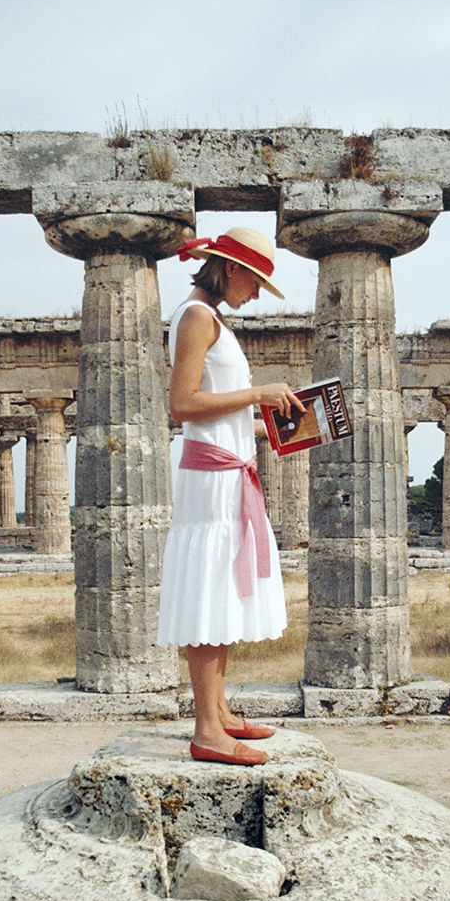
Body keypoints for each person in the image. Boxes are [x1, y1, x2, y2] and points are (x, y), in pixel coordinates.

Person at [157, 226, 303, 765]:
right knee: (209, 590)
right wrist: (259, 393)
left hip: (228, 469)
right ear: (232, 269)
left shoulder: (213, 319)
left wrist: (273, 428)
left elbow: (218, 409)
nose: (259, 293)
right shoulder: (196, 316)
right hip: (212, 479)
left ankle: (218, 713)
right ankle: (206, 731)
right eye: (258, 280)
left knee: (221, 591)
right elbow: (183, 404)